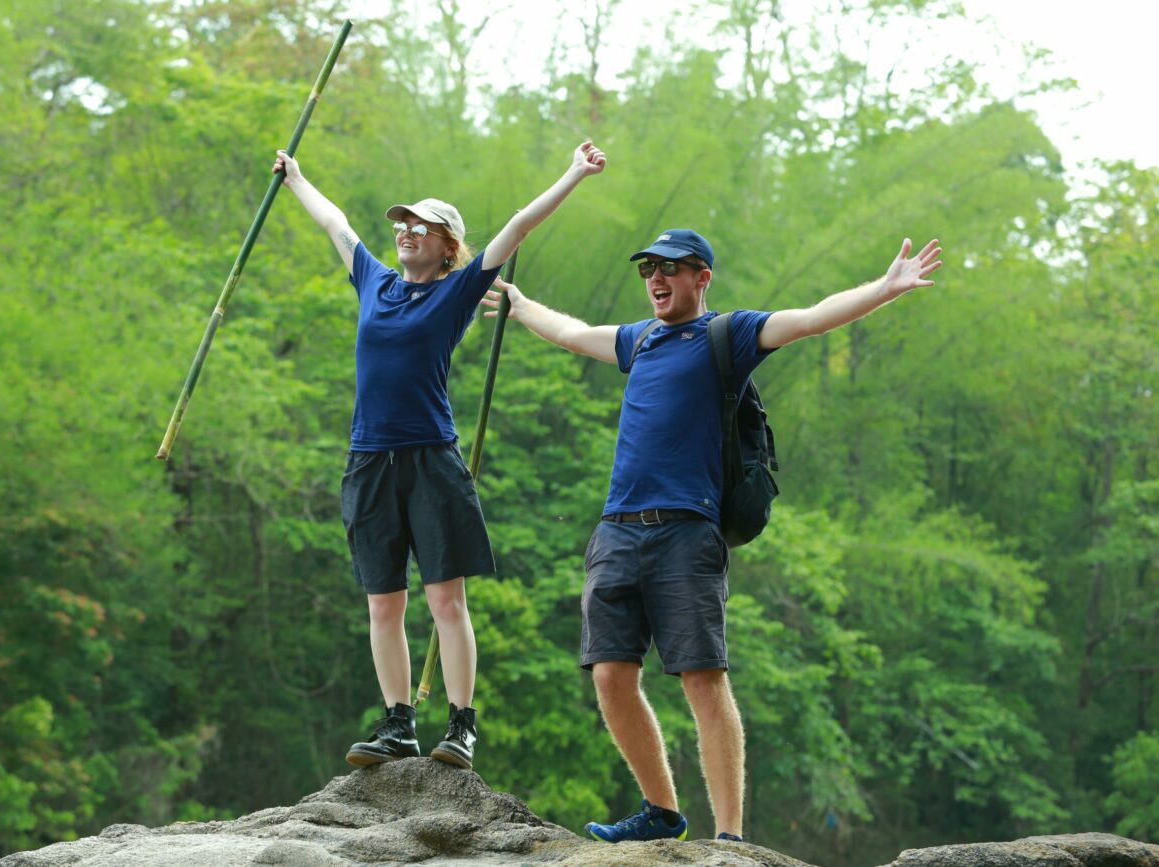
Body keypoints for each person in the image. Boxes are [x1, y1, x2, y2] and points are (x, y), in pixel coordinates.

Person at [482, 229, 941, 840]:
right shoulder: (638, 341)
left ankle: (729, 836)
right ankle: (662, 813)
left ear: (702, 277)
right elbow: (571, 332)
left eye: (671, 268)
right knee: (610, 676)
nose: (656, 278)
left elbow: (808, 320)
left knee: (703, 677)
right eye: (649, 267)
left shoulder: (728, 334)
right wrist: (517, 302)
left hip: (686, 532)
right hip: (617, 529)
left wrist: (883, 289)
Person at [272, 141, 606, 770]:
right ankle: (398, 722)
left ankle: (461, 726)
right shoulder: (373, 280)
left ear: (448, 244)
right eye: (402, 224)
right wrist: (296, 179)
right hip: (370, 460)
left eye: (421, 226)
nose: (406, 233)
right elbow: (335, 223)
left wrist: (573, 173)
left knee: (446, 599)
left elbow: (518, 225)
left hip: (430, 460)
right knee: (383, 602)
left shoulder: (454, 296)